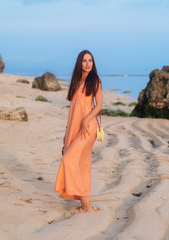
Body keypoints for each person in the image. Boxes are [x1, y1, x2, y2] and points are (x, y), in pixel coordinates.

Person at [54, 50, 103, 212]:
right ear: (79, 63)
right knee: (82, 163)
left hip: (87, 127)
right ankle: (85, 206)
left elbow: (99, 105)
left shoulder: (94, 80)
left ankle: (83, 199)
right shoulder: (77, 81)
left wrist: (86, 120)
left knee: (69, 160)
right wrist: (66, 134)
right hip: (74, 128)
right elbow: (72, 111)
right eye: (84, 60)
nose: (88, 63)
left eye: (90, 60)